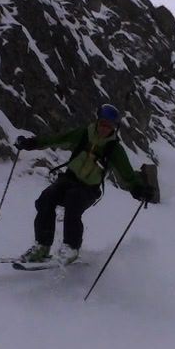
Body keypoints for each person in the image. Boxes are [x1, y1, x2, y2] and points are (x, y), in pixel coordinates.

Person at [14, 103, 155, 264]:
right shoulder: (83, 134)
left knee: (73, 201)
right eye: (102, 123)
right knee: (46, 199)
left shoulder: (114, 149)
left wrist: (139, 189)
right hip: (68, 179)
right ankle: (42, 247)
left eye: (109, 126)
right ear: (97, 121)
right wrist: (31, 143)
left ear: (114, 128)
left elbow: (128, 175)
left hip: (89, 189)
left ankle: (71, 248)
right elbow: (57, 139)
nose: (104, 128)